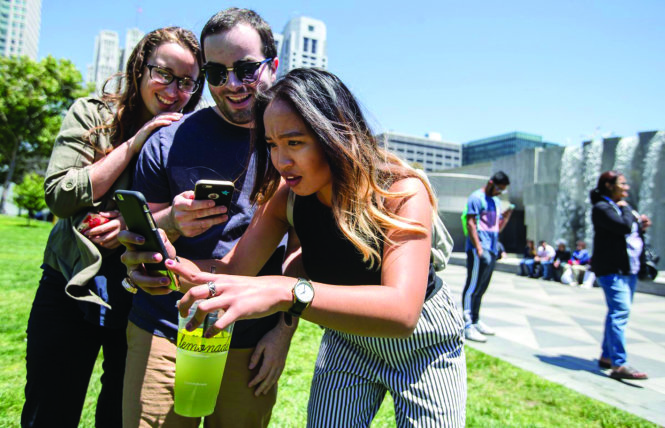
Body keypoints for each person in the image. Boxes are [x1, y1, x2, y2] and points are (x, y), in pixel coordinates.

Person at [121, 68, 467, 427]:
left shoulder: (400, 191)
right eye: (271, 145)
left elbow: (401, 313)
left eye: (295, 142)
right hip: (348, 342)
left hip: (425, 346)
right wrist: (172, 265)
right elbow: (233, 272)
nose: (280, 161)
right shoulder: (286, 197)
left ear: (334, 134)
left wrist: (288, 290)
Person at [22, 27, 203, 428]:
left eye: (187, 81)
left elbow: (183, 218)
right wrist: (136, 141)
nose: (175, 90)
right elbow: (61, 195)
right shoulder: (92, 114)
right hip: (72, 279)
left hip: (141, 294)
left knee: (118, 417)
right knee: (49, 409)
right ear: (139, 68)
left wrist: (131, 222)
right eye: (164, 74)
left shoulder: (191, 138)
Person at [121, 9, 294, 428]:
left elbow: (303, 247)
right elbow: (139, 236)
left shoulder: (295, 141)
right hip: (166, 327)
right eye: (216, 72)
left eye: (246, 69)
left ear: (273, 63)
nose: (231, 85)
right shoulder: (167, 141)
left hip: (252, 340)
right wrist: (169, 222)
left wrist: (283, 334)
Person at [590, 170, 651, 380]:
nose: (626, 188)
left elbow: (631, 229)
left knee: (616, 312)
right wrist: (627, 212)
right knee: (620, 311)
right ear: (609, 185)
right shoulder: (602, 207)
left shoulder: (620, 207)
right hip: (611, 269)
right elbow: (623, 226)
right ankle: (620, 364)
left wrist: (640, 224)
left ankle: (607, 357)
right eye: (622, 184)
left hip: (628, 268)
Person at [461, 171, 513, 342]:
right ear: (491, 183)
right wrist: (479, 248)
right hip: (479, 250)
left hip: (491, 249)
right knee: (472, 286)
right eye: (499, 188)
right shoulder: (476, 197)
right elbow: (470, 222)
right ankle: (467, 324)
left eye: (502, 190)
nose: (500, 192)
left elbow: (496, 227)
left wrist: (506, 218)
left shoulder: (496, 201)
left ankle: (476, 320)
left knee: (482, 287)